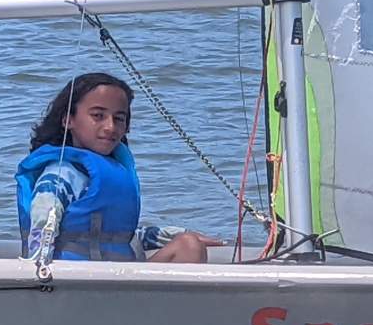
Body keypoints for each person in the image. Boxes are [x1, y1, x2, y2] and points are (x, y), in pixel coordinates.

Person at [16, 73, 223, 265]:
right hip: (76, 283)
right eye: (98, 116)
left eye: (119, 118)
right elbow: (43, 225)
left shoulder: (112, 170)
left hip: (117, 280)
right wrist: (39, 272)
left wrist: (176, 234)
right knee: (189, 244)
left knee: (187, 244)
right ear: (68, 120)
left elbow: (117, 236)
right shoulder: (60, 175)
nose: (110, 127)